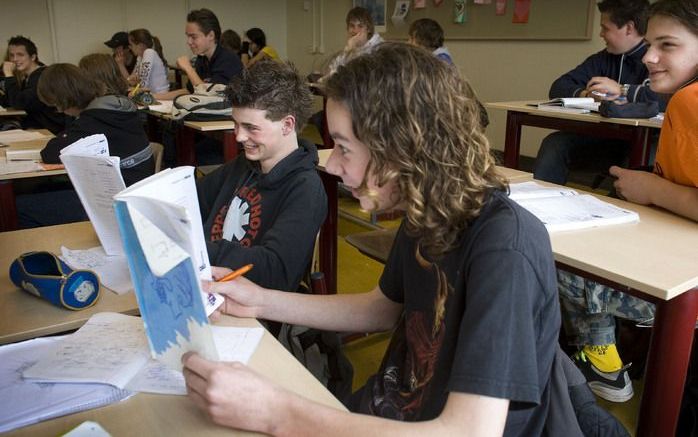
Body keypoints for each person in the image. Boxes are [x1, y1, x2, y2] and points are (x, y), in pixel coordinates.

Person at [183, 43, 561, 435]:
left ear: (401, 147)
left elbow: (469, 431)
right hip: (389, 412)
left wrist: (277, 412)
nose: (331, 164)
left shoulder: (504, 247)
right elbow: (383, 308)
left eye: (343, 148)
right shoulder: (426, 212)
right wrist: (259, 300)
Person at [557, 0, 698, 404]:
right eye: (650, 44)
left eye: (667, 45)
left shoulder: (691, 101)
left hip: (684, 285)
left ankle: (602, 362)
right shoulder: (682, 98)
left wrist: (650, 190)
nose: (650, 57)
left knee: (555, 256)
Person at [196, 59, 326, 292]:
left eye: (251, 128)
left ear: (287, 125)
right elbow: (192, 200)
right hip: (207, 282)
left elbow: (274, 271)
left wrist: (198, 249)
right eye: (235, 125)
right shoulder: (243, 165)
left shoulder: (305, 189)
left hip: (252, 308)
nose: (238, 137)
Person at [533, 0, 660, 185]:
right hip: (606, 138)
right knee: (555, 144)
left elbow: (659, 99)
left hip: (645, 142)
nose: (601, 34)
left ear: (629, 28)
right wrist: (587, 95)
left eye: (605, 28)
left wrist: (621, 90)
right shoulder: (603, 58)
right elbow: (559, 86)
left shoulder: (655, 59)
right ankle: (538, 206)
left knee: (642, 158)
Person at [16, 59, 154, 228]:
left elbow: (51, 153)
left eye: (57, 105)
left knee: (19, 206)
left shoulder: (93, 120)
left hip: (115, 202)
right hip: (137, 191)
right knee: (40, 189)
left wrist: (74, 119)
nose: (58, 111)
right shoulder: (115, 106)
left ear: (64, 100)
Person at [2, 36, 67, 134]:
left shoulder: (42, 76)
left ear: (33, 57)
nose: (15, 59)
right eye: (12, 55)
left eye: (20, 55)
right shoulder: (28, 77)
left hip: (52, 129)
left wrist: (9, 76)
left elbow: (20, 103)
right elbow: (10, 101)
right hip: (37, 127)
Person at [177, 8, 243, 93]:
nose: (189, 42)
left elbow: (211, 96)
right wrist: (156, 96)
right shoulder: (202, 59)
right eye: (188, 37)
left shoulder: (229, 60)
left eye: (193, 37)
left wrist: (189, 68)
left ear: (211, 35)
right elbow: (190, 91)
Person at [324, 6, 384, 78]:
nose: (355, 31)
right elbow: (330, 71)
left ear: (368, 29)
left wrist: (349, 51)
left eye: (360, 26)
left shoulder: (379, 47)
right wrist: (347, 51)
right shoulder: (351, 46)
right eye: (352, 26)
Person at [127, 28, 170, 96]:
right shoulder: (140, 57)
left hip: (160, 98)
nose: (130, 47)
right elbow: (133, 80)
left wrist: (132, 89)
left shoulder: (149, 53)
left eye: (131, 45)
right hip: (152, 96)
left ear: (140, 45)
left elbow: (143, 84)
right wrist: (131, 80)